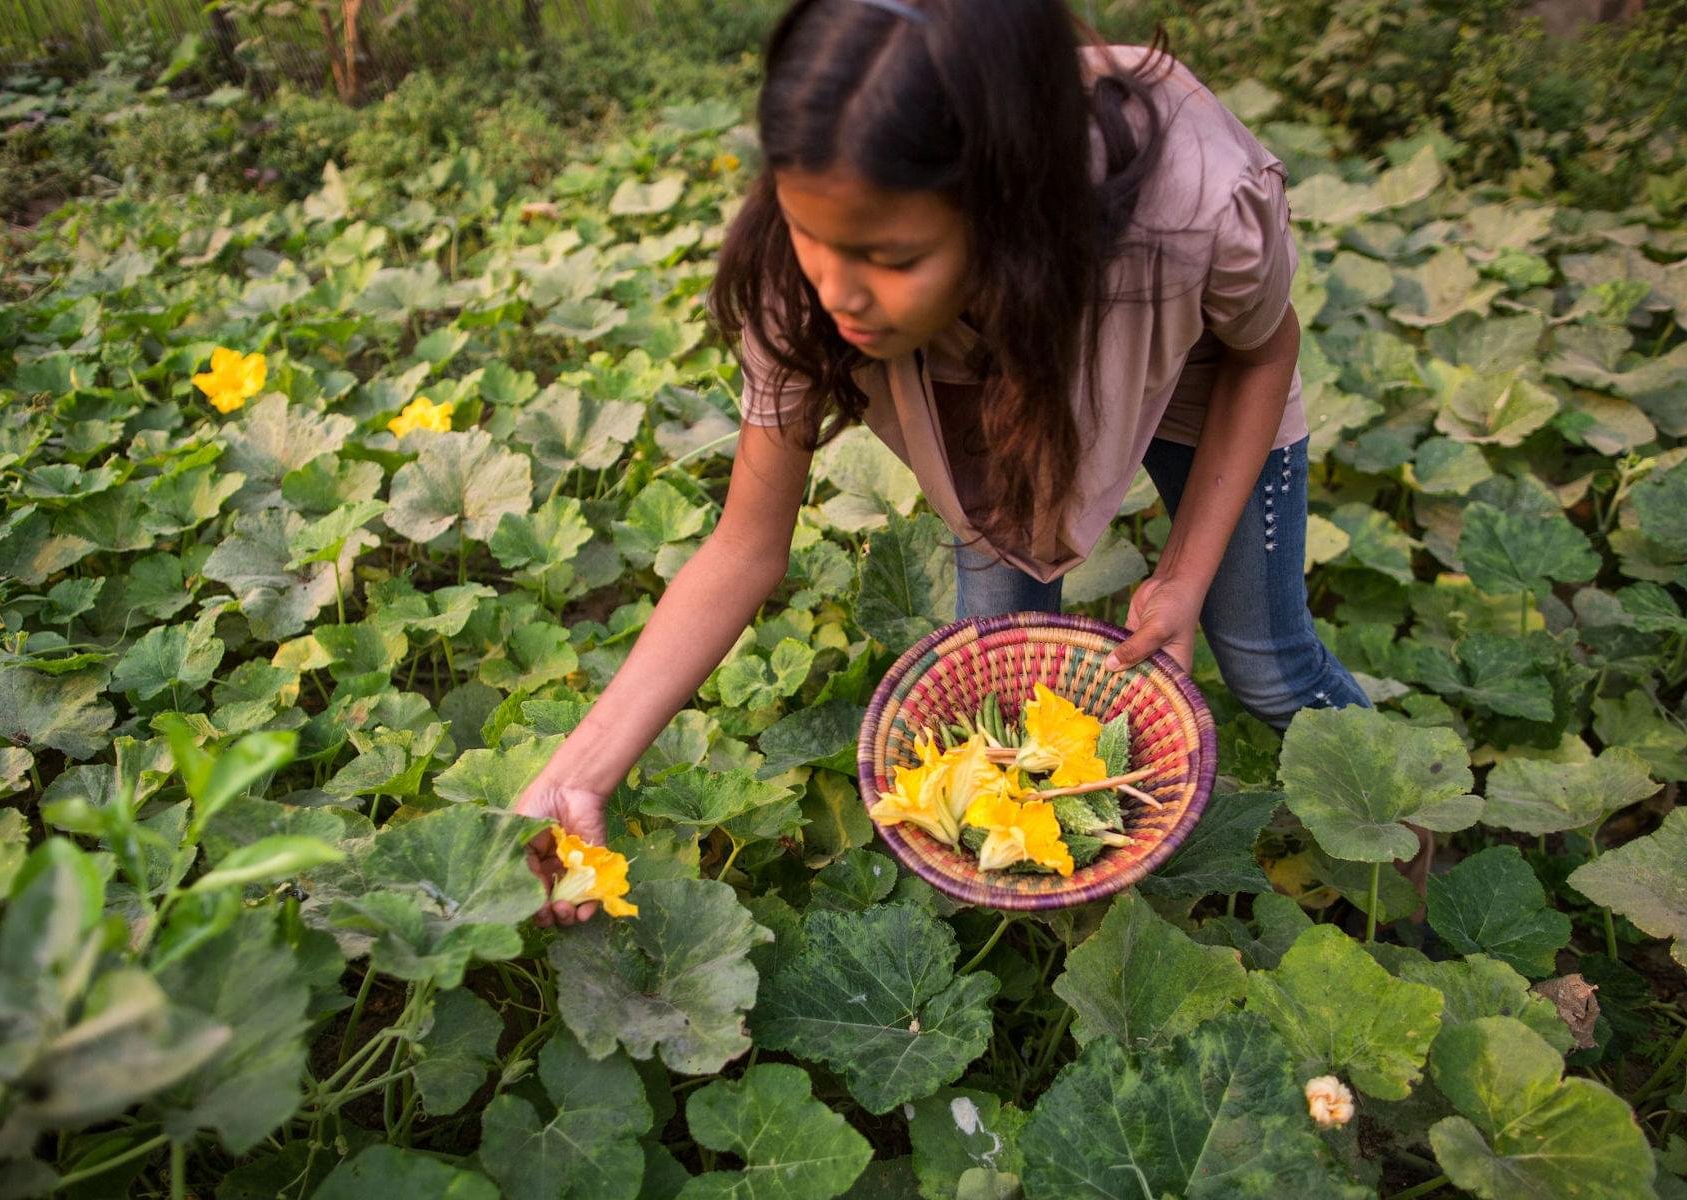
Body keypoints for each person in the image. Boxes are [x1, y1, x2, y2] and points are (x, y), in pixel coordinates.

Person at [515, 0, 1372, 923]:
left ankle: (1405, 857)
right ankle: (1046, 911)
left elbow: (1261, 351)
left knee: (1266, 662)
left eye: (890, 257)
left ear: (1008, 212)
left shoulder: (1194, 202)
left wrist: (1183, 577)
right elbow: (743, 548)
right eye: (811, 234)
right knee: (992, 683)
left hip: (1196, 355)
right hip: (988, 383)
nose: (836, 292)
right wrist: (577, 773)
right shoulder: (804, 276)